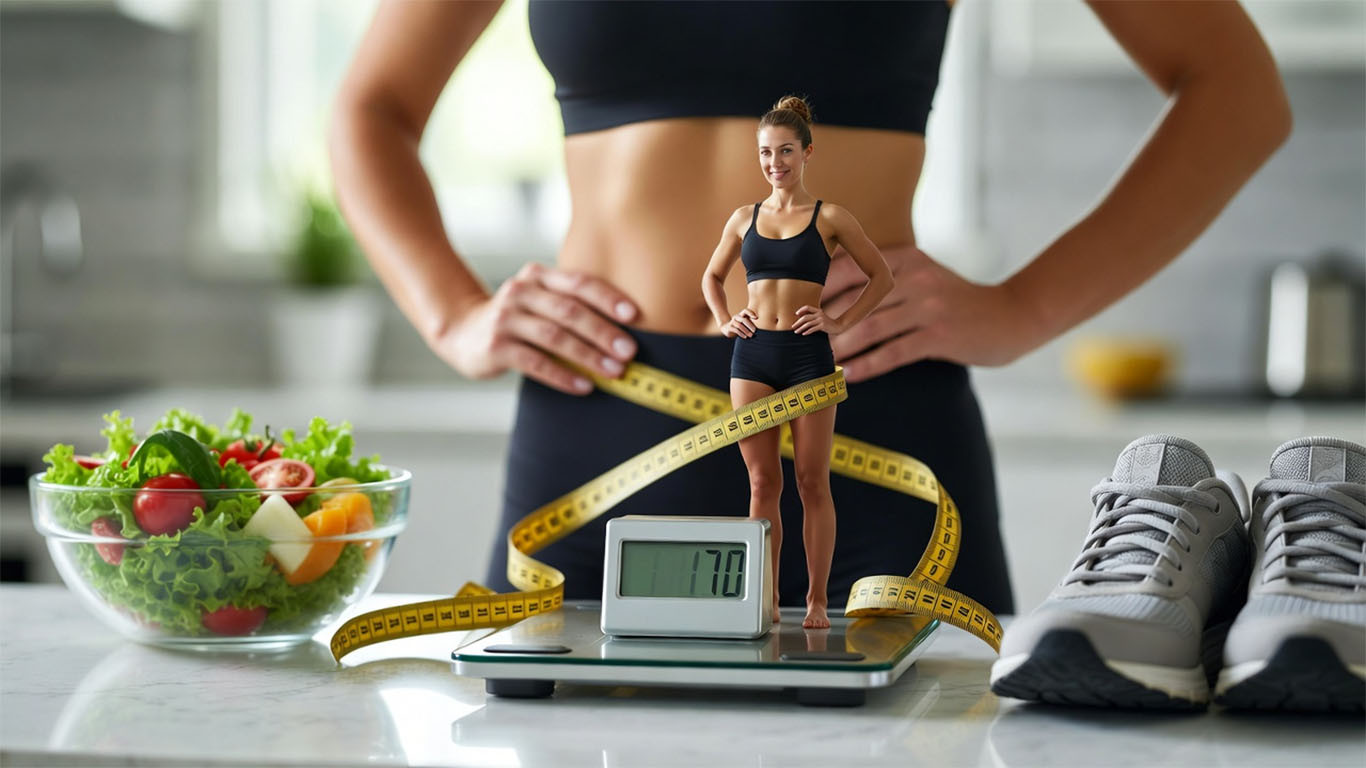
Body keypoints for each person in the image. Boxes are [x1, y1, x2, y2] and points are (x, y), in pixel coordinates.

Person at [330, 0, 1291, 617]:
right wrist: (452, 314)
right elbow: (371, 106)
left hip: (877, 417)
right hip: (601, 422)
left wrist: (1023, 309)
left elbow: (1239, 92)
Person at [702, 95, 894, 628]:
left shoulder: (830, 217)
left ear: (807, 153)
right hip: (753, 355)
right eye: (766, 153)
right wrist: (724, 319)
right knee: (763, 484)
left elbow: (882, 277)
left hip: (809, 356)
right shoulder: (744, 218)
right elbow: (711, 277)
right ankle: (763, 598)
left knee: (812, 481)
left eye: (785, 151)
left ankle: (814, 601)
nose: (775, 163)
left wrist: (838, 322)